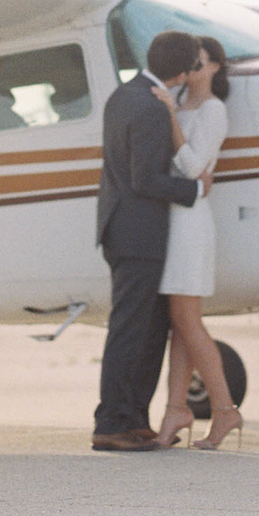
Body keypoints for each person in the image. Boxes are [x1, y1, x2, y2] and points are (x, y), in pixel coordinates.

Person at [91, 28, 206, 452]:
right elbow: (144, 179)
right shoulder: (152, 107)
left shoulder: (123, 95)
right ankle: (111, 422)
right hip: (137, 233)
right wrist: (193, 190)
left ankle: (134, 418)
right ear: (183, 70)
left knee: (148, 328)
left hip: (123, 229)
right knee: (131, 330)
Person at [150, 35, 241, 449]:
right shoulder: (178, 98)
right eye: (192, 61)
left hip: (189, 224)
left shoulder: (213, 110)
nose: (195, 67)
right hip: (171, 219)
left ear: (216, 67)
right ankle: (175, 411)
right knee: (178, 325)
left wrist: (169, 118)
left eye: (202, 61)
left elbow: (189, 169)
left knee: (187, 321)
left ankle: (224, 411)